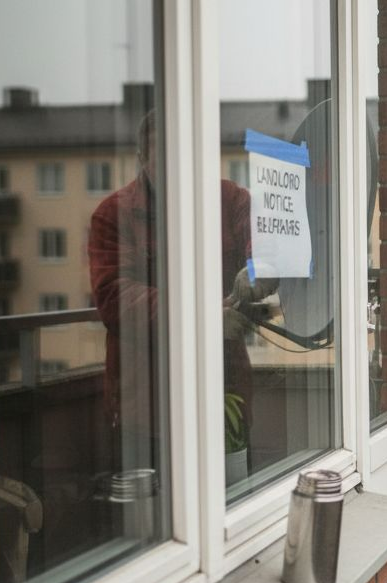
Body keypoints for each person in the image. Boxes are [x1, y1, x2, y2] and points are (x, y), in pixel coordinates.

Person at [89, 111, 276, 478]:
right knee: (163, 521)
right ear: (142, 159)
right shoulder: (113, 215)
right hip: (150, 410)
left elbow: (264, 236)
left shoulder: (229, 199)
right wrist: (204, 317)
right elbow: (115, 298)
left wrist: (259, 270)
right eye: (165, 155)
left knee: (236, 509)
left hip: (226, 397)